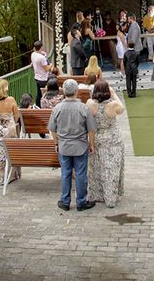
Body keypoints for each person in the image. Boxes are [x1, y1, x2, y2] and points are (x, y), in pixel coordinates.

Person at [48, 79, 96, 211]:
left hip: (64, 145)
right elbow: (91, 129)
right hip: (80, 145)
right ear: (76, 91)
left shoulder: (57, 108)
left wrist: (56, 142)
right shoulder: (83, 108)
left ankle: (65, 201)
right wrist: (91, 144)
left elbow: (52, 128)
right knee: (81, 174)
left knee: (65, 173)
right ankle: (81, 202)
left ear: (64, 91)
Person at [87, 80, 125, 208]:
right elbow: (122, 109)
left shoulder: (90, 104)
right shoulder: (113, 105)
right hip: (113, 139)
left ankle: (97, 194)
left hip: (97, 139)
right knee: (112, 169)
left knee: (97, 167)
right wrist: (114, 94)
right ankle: (110, 197)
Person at [31, 40, 51, 108]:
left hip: (37, 76)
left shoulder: (33, 54)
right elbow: (46, 69)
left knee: (38, 93)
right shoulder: (41, 58)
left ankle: (37, 106)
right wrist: (51, 65)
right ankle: (43, 106)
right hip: (43, 78)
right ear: (41, 47)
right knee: (44, 94)